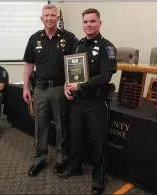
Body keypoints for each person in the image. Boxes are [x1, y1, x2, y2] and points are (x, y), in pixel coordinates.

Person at [57, 8, 117, 195]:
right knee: (75, 136)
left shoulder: (107, 47)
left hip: (96, 103)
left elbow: (105, 76)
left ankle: (98, 178)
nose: (88, 25)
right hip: (78, 102)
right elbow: (71, 72)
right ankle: (75, 166)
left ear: (100, 23)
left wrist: (80, 87)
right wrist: (68, 86)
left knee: (99, 142)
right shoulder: (78, 45)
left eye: (92, 21)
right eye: (85, 22)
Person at [23, 4, 78, 177]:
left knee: (62, 124)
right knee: (40, 125)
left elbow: (75, 65)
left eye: (53, 15)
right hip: (39, 89)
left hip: (60, 88)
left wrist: (71, 86)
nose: (49, 18)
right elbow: (29, 64)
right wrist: (25, 87)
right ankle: (40, 158)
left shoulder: (69, 38)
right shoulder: (34, 39)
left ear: (58, 18)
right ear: (41, 19)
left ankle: (62, 159)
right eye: (46, 15)